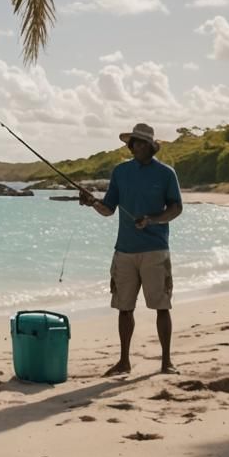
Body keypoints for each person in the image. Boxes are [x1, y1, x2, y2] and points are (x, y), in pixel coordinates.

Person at [79, 123, 184, 376]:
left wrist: (152, 219)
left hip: (155, 250)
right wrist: (92, 202)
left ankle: (167, 361)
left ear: (150, 146)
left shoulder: (166, 173)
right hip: (124, 250)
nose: (136, 146)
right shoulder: (121, 172)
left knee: (162, 305)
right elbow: (108, 209)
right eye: (133, 142)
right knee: (124, 308)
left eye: (141, 142)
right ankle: (123, 361)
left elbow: (176, 208)